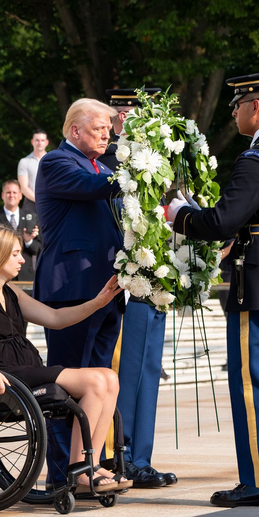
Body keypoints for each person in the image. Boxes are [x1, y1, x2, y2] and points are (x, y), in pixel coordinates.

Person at [168, 73, 259, 508]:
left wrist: (179, 212)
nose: (233, 112)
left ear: (255, 107)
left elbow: (221, 221)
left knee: (252, 384)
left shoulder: (257, 157)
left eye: (237, 105)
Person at [0, 224, 129, 492]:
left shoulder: (11, 291)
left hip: (25, 367)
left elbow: (54, 318)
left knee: (109, 377)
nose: (22, 259)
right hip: (3, 373)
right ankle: (80, 470)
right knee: (96, 382)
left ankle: (91, 462)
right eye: (15, 254)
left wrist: (97, 303)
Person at [33, 98, 123, 486]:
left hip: (107, 290)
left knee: (101, 382)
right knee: (68, 388)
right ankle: (61, 475)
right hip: (72, 290)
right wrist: (133, 173)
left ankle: (90, 464)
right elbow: (91, 187)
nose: (108, 134)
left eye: (108, 129)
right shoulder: (56, 162)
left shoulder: (103, 166)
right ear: (75, 131)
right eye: (100, 128)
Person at [97, 87, 174, 488]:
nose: (126, 121)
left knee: (146, 371)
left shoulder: (157, 163)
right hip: (119, 279)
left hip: (151, 280)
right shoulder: (108, 163)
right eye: (121, 113)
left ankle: (140, 457)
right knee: (121, 370)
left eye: (133, 113)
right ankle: (116, 456)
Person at [0, 180, 41, 282]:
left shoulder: (32, 217)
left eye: (14, 192)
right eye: (8, 192)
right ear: (2, 195)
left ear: (20, 196)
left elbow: (39, 248)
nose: (11, 195)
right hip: (1, 276)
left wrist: (28, 241)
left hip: (27, 277)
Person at [97, 88, 161, 172]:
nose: (151, 120)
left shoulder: (152, 149)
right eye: (144, 115)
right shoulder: (113, 155)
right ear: (124, 117)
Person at [17, 128, 48, 213]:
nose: (39, 143)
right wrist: (40, 200)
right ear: (32, 141)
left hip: (50, 203)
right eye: (37, 140)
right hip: (31, 205)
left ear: (46, 142)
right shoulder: (24, 161)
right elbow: (24, 188)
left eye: (42, 140)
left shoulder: (53, 161)